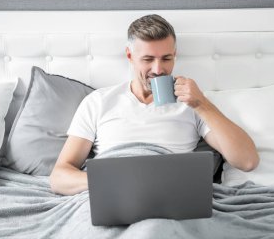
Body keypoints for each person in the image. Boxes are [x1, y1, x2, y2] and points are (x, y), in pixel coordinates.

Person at [50, 14, 259, 195]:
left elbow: (247, 161)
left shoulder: (193, 104)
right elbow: (59, 176)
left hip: (169, 194)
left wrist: (202, 104)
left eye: (166, 58)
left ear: (175, 56)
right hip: (111, 192)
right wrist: (114, 183)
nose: (158, 69)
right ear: (130, 56)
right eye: (148, 59)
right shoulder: (98, 101)